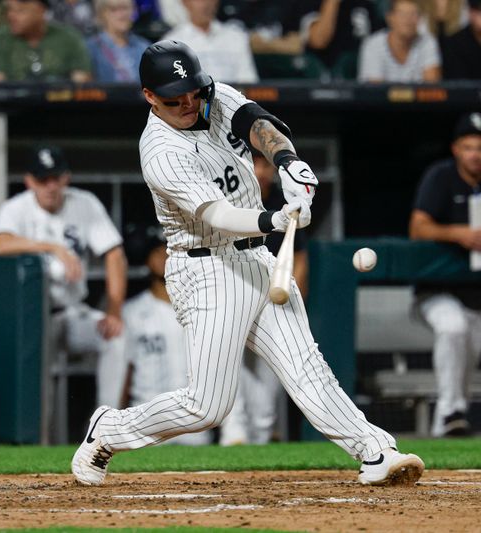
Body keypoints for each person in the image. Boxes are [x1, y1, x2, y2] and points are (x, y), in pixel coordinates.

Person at [72, 40, 425, 487]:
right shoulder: (159, 151)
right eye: (173, 98)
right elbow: (215, 214)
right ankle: (110, 430)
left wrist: (288, 163)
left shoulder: (210, 97)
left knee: (306, 366)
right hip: (206, 269)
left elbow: (258, 124)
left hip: (255, 256)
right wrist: (273, 218)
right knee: (208, 405)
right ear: (148, 96)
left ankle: (374, 451)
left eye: (192, 93)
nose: (187, 104)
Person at [0, 144, 127, 443]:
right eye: (43, 179)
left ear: (66, 177)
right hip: (34, 319)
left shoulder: (84, 203)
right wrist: (53, 247)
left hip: (72, 310)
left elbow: (114, 254)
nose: (50, 186)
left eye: (55, 178)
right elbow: (2, 243)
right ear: (30, 181)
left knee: (115, 336)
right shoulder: (17, 208)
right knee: (42, 391)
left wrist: (114, 310)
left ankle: (106, 431)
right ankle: (39, 445)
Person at [218, 154, 308, 446]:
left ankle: (259, 444)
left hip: (271, 300)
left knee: (270, 384)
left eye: (265, 165)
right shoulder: (228, 198)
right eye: (254, 164)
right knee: (229, 368)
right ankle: (234, 434)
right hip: (235, 293)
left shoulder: (283, 202)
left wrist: (293, 291)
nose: (260, 171)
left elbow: (300, 255)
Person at [97, 227, 212, 445]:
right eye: (158, 252)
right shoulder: (132, 312)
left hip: (195, 430)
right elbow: (122, 375)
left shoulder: (204, 310)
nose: (165, 258)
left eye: (172, 251)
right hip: (145, 425)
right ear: (147, 259)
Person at [409, 112, 481, 437]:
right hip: (437, 292)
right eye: (468, 147)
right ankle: (452, 412)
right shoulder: (440, 176)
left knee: (465, 353)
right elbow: (418, 227)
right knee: (452, 328)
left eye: (480, 147)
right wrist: (459, 233)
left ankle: (449, 422)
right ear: (456, 149)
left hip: (476, 297)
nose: (475, 155)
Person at [0, 0, 93, 82]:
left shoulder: (69, 38)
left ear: (41, 11)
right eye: (9, 10)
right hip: (14, 110)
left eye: (20, 11)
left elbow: (81, 86)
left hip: (61, 110)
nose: (11, 16)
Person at [162, 0, 258, 83]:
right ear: (185, 2)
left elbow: (248, 83)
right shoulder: (171, 43)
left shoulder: (236, 37)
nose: (206, 4)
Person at [358, 0, 441, 83]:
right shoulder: (373, 44)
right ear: (390, 17)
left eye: (414, 14)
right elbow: (375, 90)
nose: (408, 20)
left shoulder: (427, 42)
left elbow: (432, 87)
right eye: (402, 14)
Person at [290, 0, 384, 72]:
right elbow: (319, 41)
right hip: (324, 78)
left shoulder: (365, 4)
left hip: (362, 74)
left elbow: (380, 43)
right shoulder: (310, 3)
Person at [85, 0, 150, 82]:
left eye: (125, 8)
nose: (122, 14)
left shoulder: (143, 46)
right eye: (114, 9)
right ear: (102, 14)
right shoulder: (91, 48)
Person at [442, 0, 481, 80]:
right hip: (467, 91)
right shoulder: (455, 42)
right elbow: (457, 84)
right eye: (478, 11)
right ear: (470, 12)